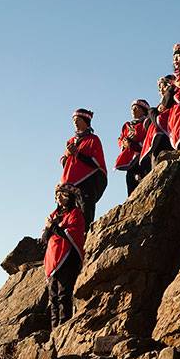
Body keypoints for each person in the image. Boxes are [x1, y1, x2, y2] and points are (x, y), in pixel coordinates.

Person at [41, 184, 85, 328]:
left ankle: (63, 327)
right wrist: (49, 228)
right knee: (53, 298)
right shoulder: (53, 215)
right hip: (52, 259)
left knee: (64, 295)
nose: (59, 197)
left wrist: (53, 227)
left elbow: (72, 234)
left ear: (70, 197)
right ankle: (54, 330)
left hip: (68, 259)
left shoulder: (75, 213)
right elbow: (45, 239)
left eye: (63, 194)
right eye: (57, 195)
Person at [60, 108, 107, 229]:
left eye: (78, 120)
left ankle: (86, 233)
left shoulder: (93, 139)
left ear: (86, 121)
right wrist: (67, 155)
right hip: (71, 183)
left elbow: (96, 163)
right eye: (74, 120)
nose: (75, 122)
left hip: (89, 181)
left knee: (86, 208)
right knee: (69, 212)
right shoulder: (71, 141)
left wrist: (77, 153)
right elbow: (65, 162)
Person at [139, 75, 175, 171]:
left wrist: (152, 111)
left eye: (164, 86)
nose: (162, 89)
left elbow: (158, 120)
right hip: (156, 143)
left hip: (169, 138)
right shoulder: (158, 107)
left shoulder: (176, 102)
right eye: (160, 87)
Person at [114, 99, 149, 195]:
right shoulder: (127, 126)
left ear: (143, 110)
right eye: (132, 109)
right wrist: (124, 143)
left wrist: (134, 144)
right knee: (131, 187)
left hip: (143, 159)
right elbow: (120, 139)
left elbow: (149, 139)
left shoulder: (147, 123)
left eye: (136, 108)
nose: (133, 111)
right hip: (130, 161)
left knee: (144, 186)